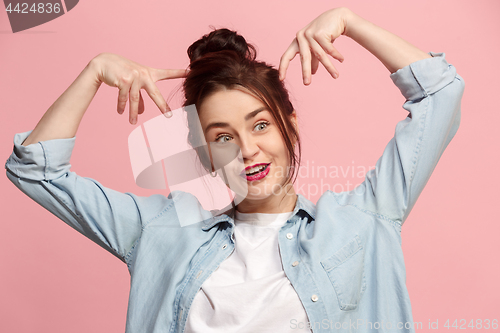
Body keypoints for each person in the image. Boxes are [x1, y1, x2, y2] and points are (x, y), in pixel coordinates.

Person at [5, 6, 464, 333]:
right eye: (222, 137)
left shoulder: (363, 219)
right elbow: (36, 172)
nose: (246, 150)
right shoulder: (163, 232)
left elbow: (440, 95)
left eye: (260, 124)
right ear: (203, 152)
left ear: (290, 124)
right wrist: (94, 70)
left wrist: (349, 21)